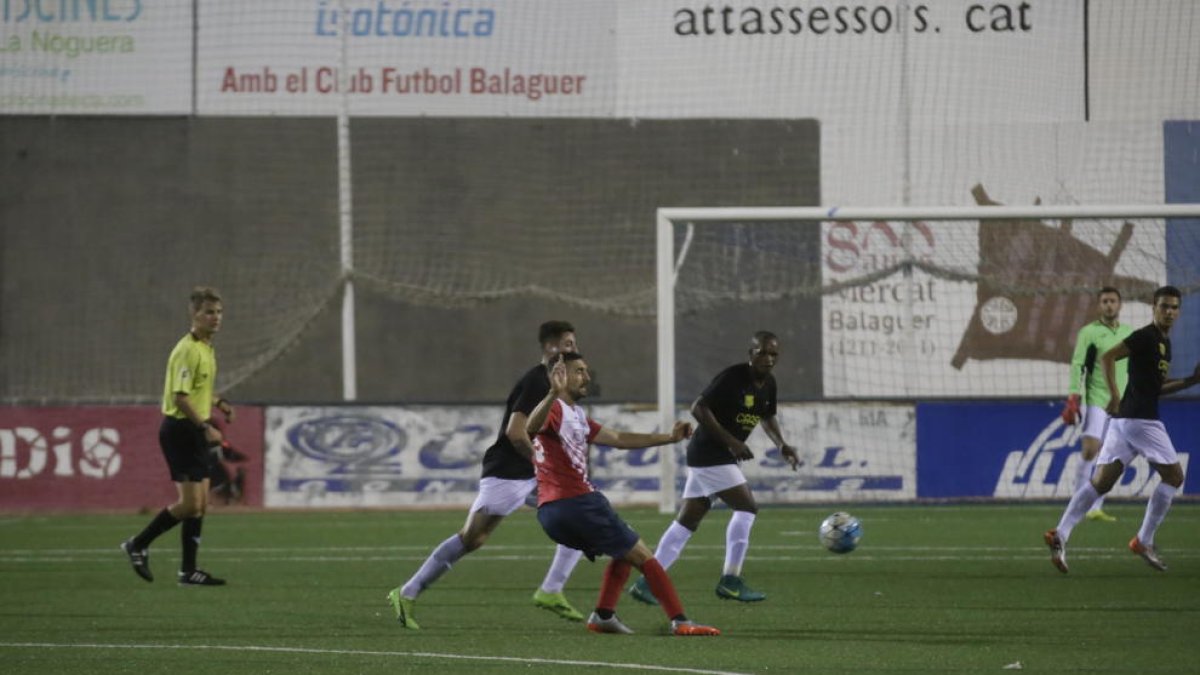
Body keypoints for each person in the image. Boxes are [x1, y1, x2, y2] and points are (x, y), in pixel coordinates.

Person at [387, 321, 586, 629]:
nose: (574, 349)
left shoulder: (557, 383)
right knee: (472, 538)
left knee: (578, 517)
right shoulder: (537, 381)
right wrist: (542, 464)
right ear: (551, 347)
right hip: (509, 471)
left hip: (530, 473)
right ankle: (407, 591)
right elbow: (516, 433)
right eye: (568, 344)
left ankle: (551, 590)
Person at [527, 352, 720, 636]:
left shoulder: (577, 415)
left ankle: (604, 615)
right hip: (578, 502)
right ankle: (681, 621)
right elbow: (530, 427)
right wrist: (551, 394)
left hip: (550, 512)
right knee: (644, 556)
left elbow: (617, 438)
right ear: (561, 376)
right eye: (579, 371)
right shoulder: (555, 408)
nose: (587, 377)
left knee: (625, 547)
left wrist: (669, 437)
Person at [629, 330, 799, 605]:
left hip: (716, 456)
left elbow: (767, 415)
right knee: (746, 508)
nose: (768, 359)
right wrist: (732, 441)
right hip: (710, 452)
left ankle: (647, 582)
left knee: (687, 522)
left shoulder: (769, 384)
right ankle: (730, 580)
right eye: (762, 352)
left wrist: (781, 445)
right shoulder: (733, 377)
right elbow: (698, 407)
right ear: (751, 353)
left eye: (773, 354)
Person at [1045, 286, 1200, 573]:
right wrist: (1114, 395)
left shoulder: (1164, 342)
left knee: (1101, 483)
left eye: (1174, 308)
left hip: (1124, 423)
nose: (1169, 312)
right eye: (1164, 306)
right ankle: (1144, 539)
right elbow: (1107, 357)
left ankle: (1061, 533)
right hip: (1141, 420)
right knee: (1175, 476)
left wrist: (1191, 381)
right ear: (1154, 307)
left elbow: (1157, 388)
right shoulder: (1145, 336)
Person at [120, 286, 233, 586]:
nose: (216, 318)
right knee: (189, 505)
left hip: (194, 428)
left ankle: (188, 571)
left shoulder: (206, 347)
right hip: (181, 430)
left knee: (201, 504)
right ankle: (138, 544)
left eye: (219, 312)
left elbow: (198, 391)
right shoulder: (186, 349)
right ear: (194, 315)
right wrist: (205, 427)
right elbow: (180, 397)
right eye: (209, 312)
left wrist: (219, 403)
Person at [1059, 286, 1132, 523]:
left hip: (1121, 402)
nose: (1109, 305)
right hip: (1096, 399)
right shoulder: (1088, 333)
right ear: (1099, 305)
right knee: (1090, 449)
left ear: (1120, 305)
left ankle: (1095, 508)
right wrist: (1073, 395)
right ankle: (1078, 502)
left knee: (1107, 457)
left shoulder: (1129, 333)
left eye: (1113, 301)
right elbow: (1078, 364)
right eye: (1105, 301)